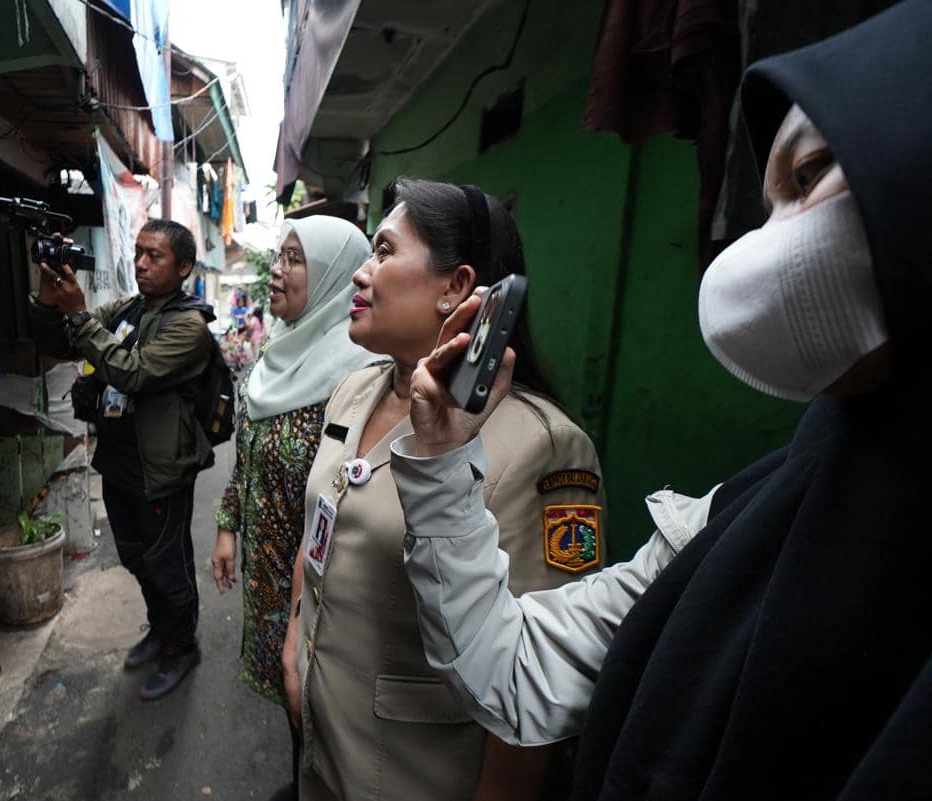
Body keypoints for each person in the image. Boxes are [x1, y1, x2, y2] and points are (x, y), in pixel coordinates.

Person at [392, 3, 932, 798]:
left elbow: (544, 624)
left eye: (807, 175)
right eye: (767, 197)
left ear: (462, 287)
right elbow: (516, 661)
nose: (761, 238)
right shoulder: (749, 511)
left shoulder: (551, 444)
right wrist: (439, 456)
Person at [281, 180, 607, 801]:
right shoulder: (358, 389)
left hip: (415, 772)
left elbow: (541, 674)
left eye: (382, 251)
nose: (360, 273)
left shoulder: (545, 448)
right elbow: (321, 521)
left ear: (455, 288)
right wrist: (297, 639)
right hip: (324, 747)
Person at [211, 216, 376, 801]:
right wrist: (229, 525)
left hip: (319, 594)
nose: (276, 272)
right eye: (277, 258)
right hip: (268, 579)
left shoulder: (357, 380)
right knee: (294, 711)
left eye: (294, 260)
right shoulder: (274, 357)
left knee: (328, 718)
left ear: (333, 277)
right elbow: (246, 452)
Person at [30, 219, 213, 700]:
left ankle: (182, 647)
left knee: (167, 564)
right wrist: (51, 299)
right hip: (119, 462)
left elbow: (133, 372)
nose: (141, 263)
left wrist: (82, 316)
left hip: (162, 471)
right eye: (138, 253)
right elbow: (60, 343)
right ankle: (161, 630)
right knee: (135, 556)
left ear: (185, 267)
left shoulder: (189, 325)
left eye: (155, 256)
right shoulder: (128, 309)